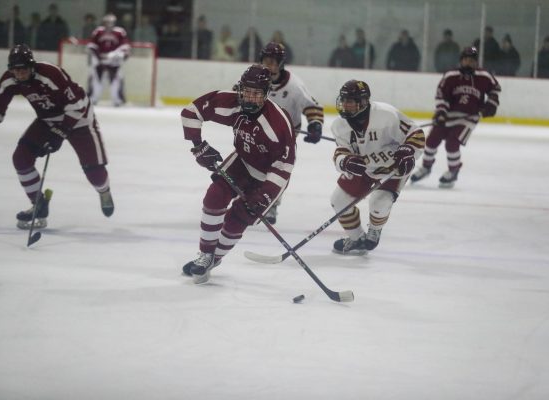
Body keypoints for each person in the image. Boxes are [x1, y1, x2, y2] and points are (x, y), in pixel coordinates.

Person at [180, 64, 296, 284]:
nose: (250, 98)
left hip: (269, 176)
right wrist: (198, 145)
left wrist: (264, 196)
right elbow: (191, 112)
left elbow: (283, 167)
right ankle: (205, 254)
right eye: (247, 92)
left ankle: (216, 257)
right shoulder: (233, 103)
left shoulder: (277, 125)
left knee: (238, 218)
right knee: (214, 196)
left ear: (266, 94)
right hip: (243, 161)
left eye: (256, 94)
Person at [0, 45, 114, 230]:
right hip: (47, 120)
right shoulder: (10, 80)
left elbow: (77, 105)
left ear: (32, 66)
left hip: (79, 118)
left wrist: (60, 133)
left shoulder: (50, 74)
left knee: (95, 172)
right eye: (16, 70)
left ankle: (104, 191)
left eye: (24, 69)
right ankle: (39, 204)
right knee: (21, 158)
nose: (21, 74)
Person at [330, 80, 424, 254]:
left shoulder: (386, 115)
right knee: (338, 200)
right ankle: (357, 239)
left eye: (350, 101)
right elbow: (340, 152)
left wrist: (408, 150)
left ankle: (375, 229)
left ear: (363, 102)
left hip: (392, 169)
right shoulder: (339, 125)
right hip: (364, 168)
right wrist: (346, 162)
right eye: (343, 100)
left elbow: (415, 133)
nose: (345, 104)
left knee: (379, 203)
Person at [411, 47, 501, 188]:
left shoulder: (484, 76)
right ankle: (426, 167)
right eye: (466, 60)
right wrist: (441, 112)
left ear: (476, 62)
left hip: (469, 118)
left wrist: (491, 104)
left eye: (471, 60)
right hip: (448, 115)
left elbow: (495, 89)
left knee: (452, 143)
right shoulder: (451, 76)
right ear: (461, 60)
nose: (468, 63)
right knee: (431, 140)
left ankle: (454, 171)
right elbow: (441, 95)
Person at [258, 42, 324, 224]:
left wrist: (315, 125)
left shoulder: (294, 85)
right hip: (257, 132)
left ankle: (271, 205)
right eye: (266, 61)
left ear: (280, 64)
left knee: (278, 171)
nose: (268, 66)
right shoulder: (253, 79)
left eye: (273, 62)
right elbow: (236, 97)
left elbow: (312, 106)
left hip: (284, 137)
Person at [87, 13, 130, 107]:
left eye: (111, 22)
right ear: (104, 22)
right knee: (96, 80)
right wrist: (98, 57)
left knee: (116, 80)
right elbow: (92, 46)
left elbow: (125, 46)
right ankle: (93, 98)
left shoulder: (120, 32)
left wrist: (115, 55)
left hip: (113, 61)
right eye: (107, 22)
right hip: (100, 60)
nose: (109, 24)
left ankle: (117, 99)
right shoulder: (98, 31)